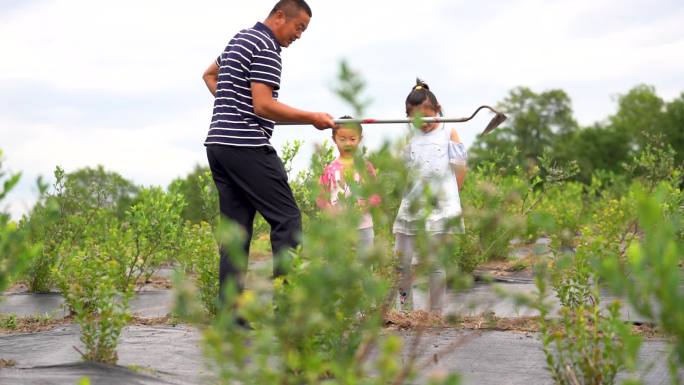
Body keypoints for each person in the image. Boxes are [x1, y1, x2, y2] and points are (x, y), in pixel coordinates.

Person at [201, 0, 336, 304]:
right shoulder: (267, 47)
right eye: (298, 27)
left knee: (236, 234)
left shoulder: (241, 38)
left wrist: (234, 105)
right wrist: (312, 117)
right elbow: (263, 105)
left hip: (219, 145)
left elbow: (209, 76)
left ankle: (229, 315)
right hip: (246, 145)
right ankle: (288, 309)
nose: (299, 35)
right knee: (287, 220)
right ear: (279, 16)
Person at [393, 78, 468, 315]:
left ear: (438, 110)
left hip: (440, 208)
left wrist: (452, 198)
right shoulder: (409, 137)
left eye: (427, 115)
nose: (422, 123)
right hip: (412, 205)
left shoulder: (449, 131)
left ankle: (435, 313)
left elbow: (460, 166)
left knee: (435, 263)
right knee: (402, 263)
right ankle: (405, 310)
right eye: (416, 118)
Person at [316, 117, 380, 251]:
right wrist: (330, 211)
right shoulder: (329, 169)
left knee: (365, 263)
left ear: (360, 139)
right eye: (342, 139)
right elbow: (320, 197)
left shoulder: (365, 167)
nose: (348, 144)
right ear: (334, 139)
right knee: (339, 266)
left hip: (363, 225)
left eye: (352, 139)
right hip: (338, 227)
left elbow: (376, 194)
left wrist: (366, 205)